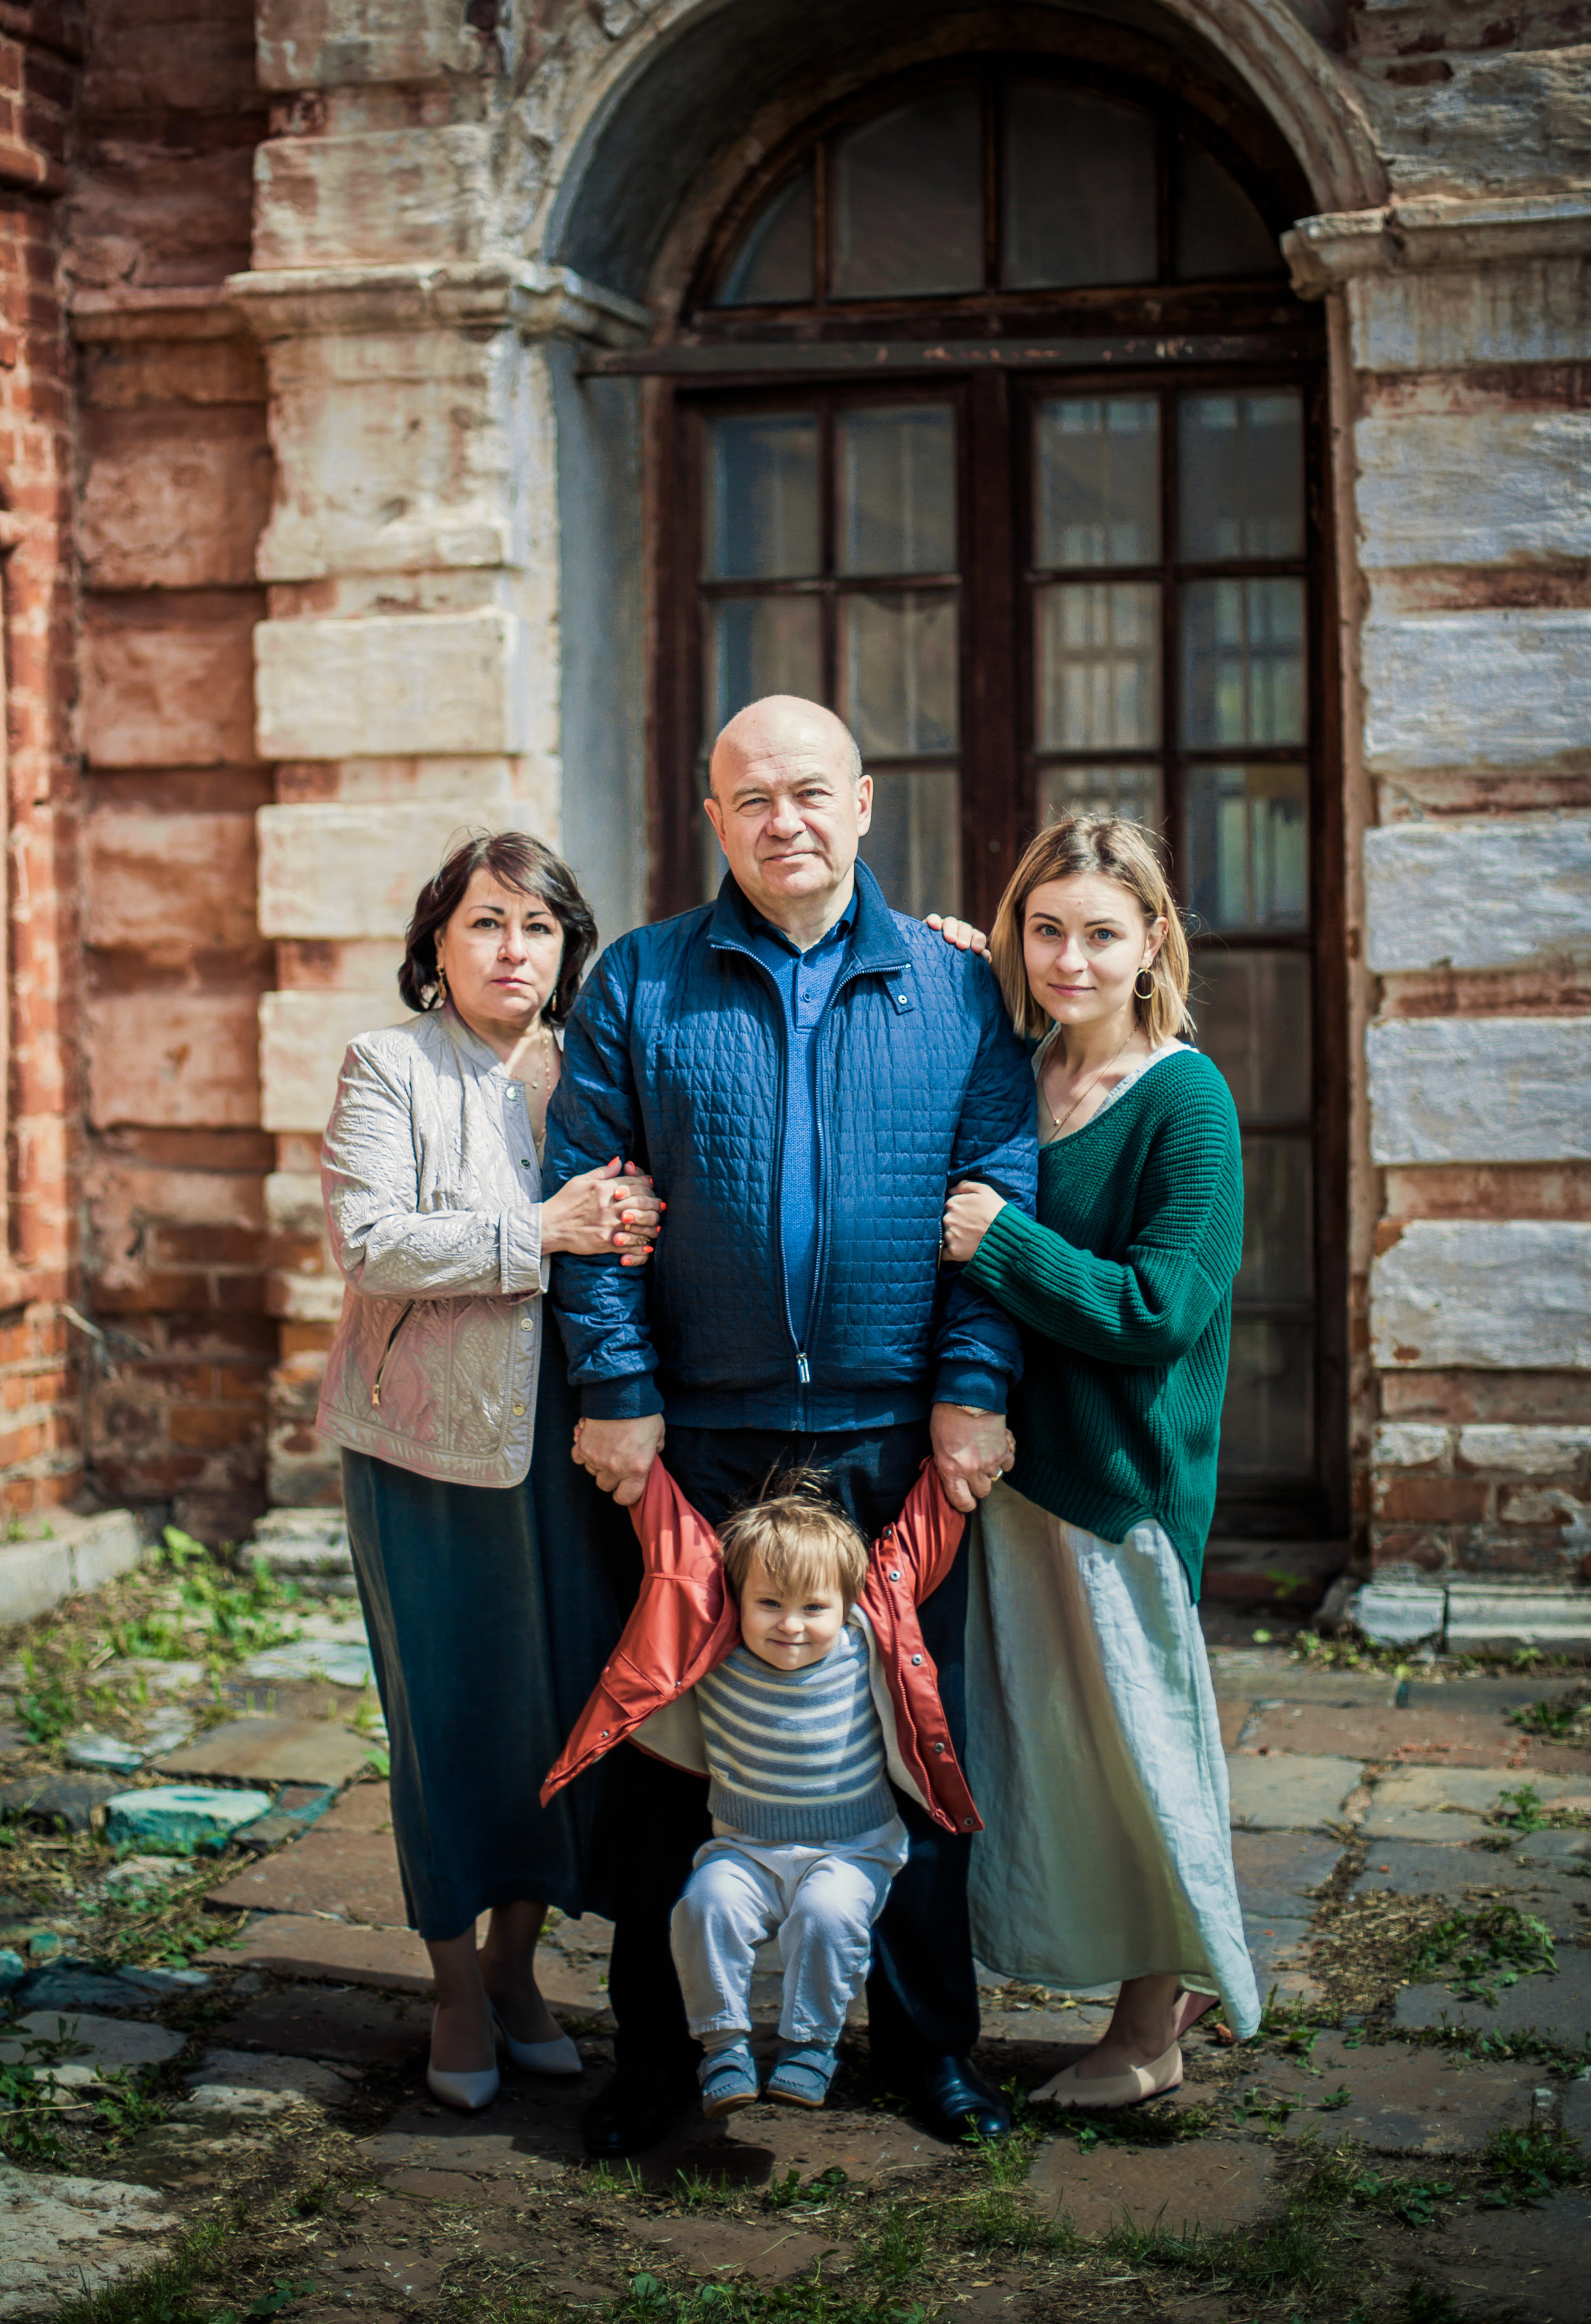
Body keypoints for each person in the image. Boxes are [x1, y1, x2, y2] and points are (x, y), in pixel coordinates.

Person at [546, 693, 1038, 2157]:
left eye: (810, 793)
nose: (785, 822)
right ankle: (655, 2059)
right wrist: (617, 1395)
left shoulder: (960, 993)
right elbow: (592, 1209)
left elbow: (998, 1199)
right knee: (663, 1743)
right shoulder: (640, 984)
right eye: (752, 799)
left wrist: (973, 1388)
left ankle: (925, 2050)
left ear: (865, 804)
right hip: (698, 1434)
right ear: (714, 821)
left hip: (894, 1431)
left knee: (907, 1740)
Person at [315, 831, 663, 2112]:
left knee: (561, 1714)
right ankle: (455, 1984)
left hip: (581, 1447)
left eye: (538, 927)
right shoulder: (389, 1067)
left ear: (570, 948)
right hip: (430, 1451)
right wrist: (547, 1228)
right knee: (450, 1719)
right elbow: (372, 1243)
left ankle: (520, 1970)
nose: (512, 950)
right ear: (437, 945)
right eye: (484, 924)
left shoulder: (600, 1066)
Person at [935, 813, 1260, 2105]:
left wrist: (1001, 1243)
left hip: (1122, 1485)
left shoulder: (1187, 1099)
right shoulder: (1021, 1069)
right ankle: (1134, 1991)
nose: (1071, 958)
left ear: (1153, 943)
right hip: (1019, 1480)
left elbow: (1161, 1309)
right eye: (1046, 929)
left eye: (1102, 934)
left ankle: (1150, 2032)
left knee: (1144, 1754)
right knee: (1060, 1752)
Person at [543, 1471, 976, 2119]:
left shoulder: (864, 1634)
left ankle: (809, 2048)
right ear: (737, 1598)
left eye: (813, 1609)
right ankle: (723, 2048)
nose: (791, 1626)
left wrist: (952, 1475)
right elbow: (672, 1547)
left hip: (852, 1851)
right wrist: (642, 1471)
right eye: (769, 1604)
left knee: (826, 1919)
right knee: (701, 1910)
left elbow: (919, 1547)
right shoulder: (714, 1643)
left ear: (848, 1601)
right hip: (743, 1850)